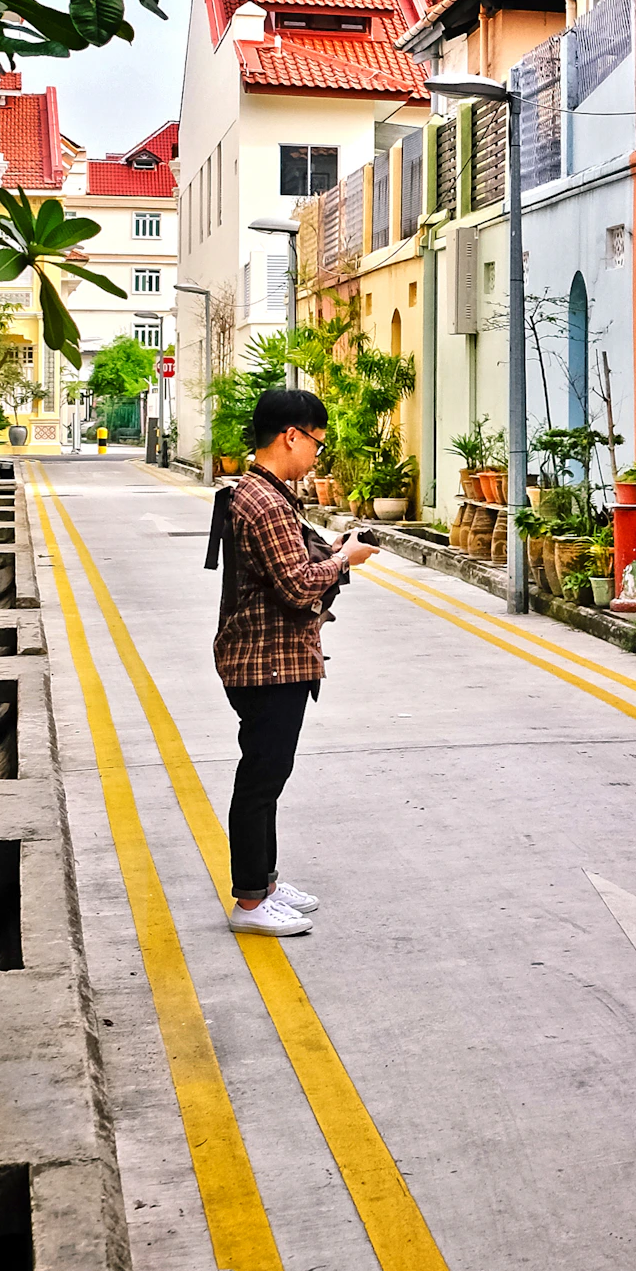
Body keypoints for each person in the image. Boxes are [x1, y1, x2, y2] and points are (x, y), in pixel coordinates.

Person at [207, 384, 376, 938]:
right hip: (266, 663)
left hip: (270, 658)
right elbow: (298, 586)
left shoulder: (263, 493)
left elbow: (290, 566)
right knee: (261, 779)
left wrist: (333, 552)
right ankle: (250, 903)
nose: (317, 456)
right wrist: (346, 560)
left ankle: (266, 886)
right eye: (317, 444)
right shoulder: (265, 501)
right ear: (291, 436)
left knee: (268, 777)